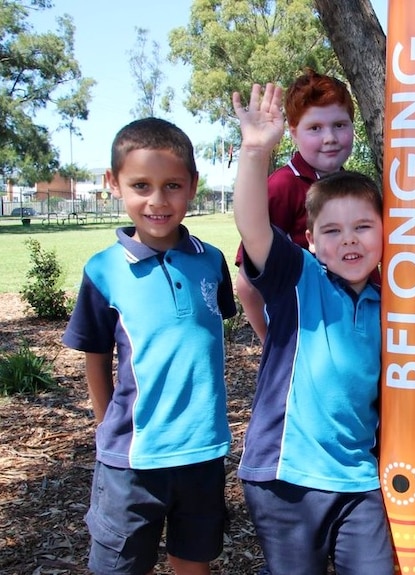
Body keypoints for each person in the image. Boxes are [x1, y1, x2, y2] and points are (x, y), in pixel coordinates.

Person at [231, 83, 415, 575]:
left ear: (387, 231)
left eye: (363, 227)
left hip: (359, 479)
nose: (350, 241)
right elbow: (253, 227)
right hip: (287, 477)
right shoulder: (299, 280)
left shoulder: (394, 301)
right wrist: (255, 153)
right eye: (333, 232)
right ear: (311, 241)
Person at [62, 118, 236, 575]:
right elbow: (96, 358)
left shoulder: (212, 261)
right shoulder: (103, 271)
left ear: (193, 186)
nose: (157, 201)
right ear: (113, 183)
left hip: (202, 452)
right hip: (131, 460)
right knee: (119, 566)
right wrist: (106, 429)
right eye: (141, 185)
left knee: (194, 560)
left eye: (172, 185)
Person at [235, 68, 355, 342]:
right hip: (308, 337)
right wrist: (275, 347)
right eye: (315, 128)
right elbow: (247, 285)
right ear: (293, 133)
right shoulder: (284, 185)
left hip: (354, 334)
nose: (330, 138)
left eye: (340, 124)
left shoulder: (356, 188)